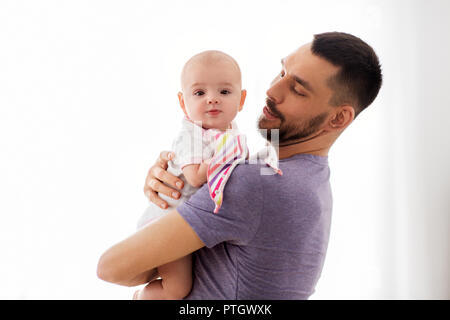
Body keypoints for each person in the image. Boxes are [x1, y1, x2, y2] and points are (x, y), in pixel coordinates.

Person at [97, 32, 382, 299]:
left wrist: (170, 209)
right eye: (282, 72)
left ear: (338, 119)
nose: (271, 90)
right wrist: (175, 178)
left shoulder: (254, 183)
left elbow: (110, 267)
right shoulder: (309, 176)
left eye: (297, 89)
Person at [131, 50, 247, 299]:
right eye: (200, 93)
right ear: (183, 103)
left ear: (242, 99)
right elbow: (195, 177)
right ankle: (141, 297)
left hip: (192, 224)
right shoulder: (190, 136)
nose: (212, 99)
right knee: (176, 288)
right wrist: (226, 157)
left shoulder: (232, 134)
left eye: (224, 92)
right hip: (167, 223)